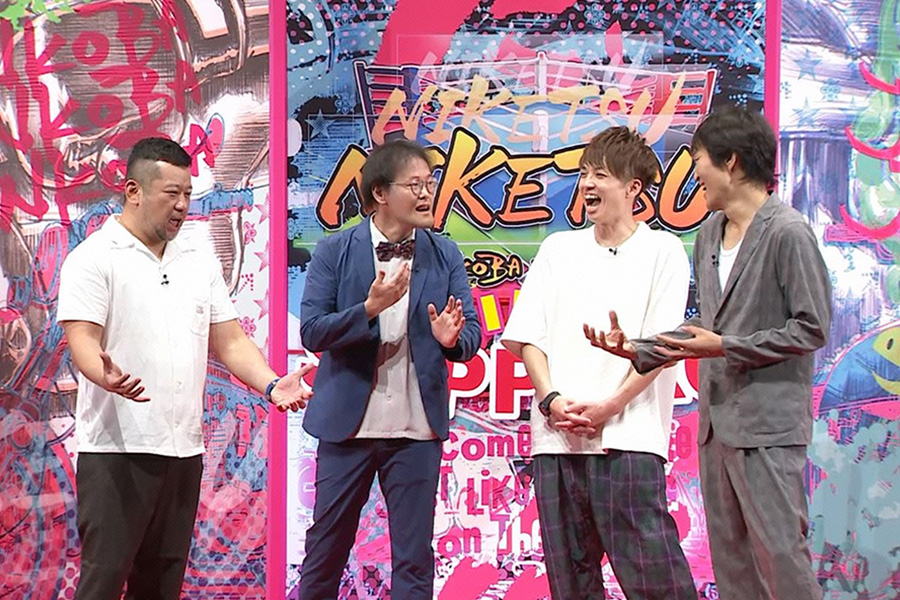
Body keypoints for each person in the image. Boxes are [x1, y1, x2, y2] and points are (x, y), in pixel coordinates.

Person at [587, 108, 832, 600]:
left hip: (768, 427)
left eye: (698, 158)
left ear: (731, 162)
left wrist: (727, 347)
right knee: (732, 561)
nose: (693, 170)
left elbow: (812, 328)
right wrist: (638, 348)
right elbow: (709, 325)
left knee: (781, 556)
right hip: (716, 427)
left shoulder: (788, 231)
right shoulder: (709, 235)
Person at [57, 137, 313, 600]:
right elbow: (83, 341)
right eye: (171, 193)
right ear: (133, 191)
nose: (181, 205)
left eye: (188, 194)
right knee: (103, 581)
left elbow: (230, 340)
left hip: (183, 453)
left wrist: (273, 384)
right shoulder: (93, 258)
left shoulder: (197, 259)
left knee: (162, 585)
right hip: (116, 453)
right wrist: (102, 374)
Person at [501, 126, 697, 600]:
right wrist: (550, 399)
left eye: (602, 175)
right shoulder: (558, 249)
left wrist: (610, 406)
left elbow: (660, 348)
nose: (588, 184)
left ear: (633, 188)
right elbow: (528, 336)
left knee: (656, 580)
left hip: (628, 440)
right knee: (571, 583)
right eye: (585, 173)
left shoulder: (664, 251)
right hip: (557, 440)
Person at [298, 139, 482, 599]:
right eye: (414, 185)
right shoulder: (334, 250)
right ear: (380, 193)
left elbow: (473, 333)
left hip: (417, 430)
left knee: (414, 558)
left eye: (430, 184)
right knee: (326, 550)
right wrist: (368, 309)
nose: (426, 194)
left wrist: (452, 340)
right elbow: (312, 332)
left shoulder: (445, 253)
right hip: (347, 427)